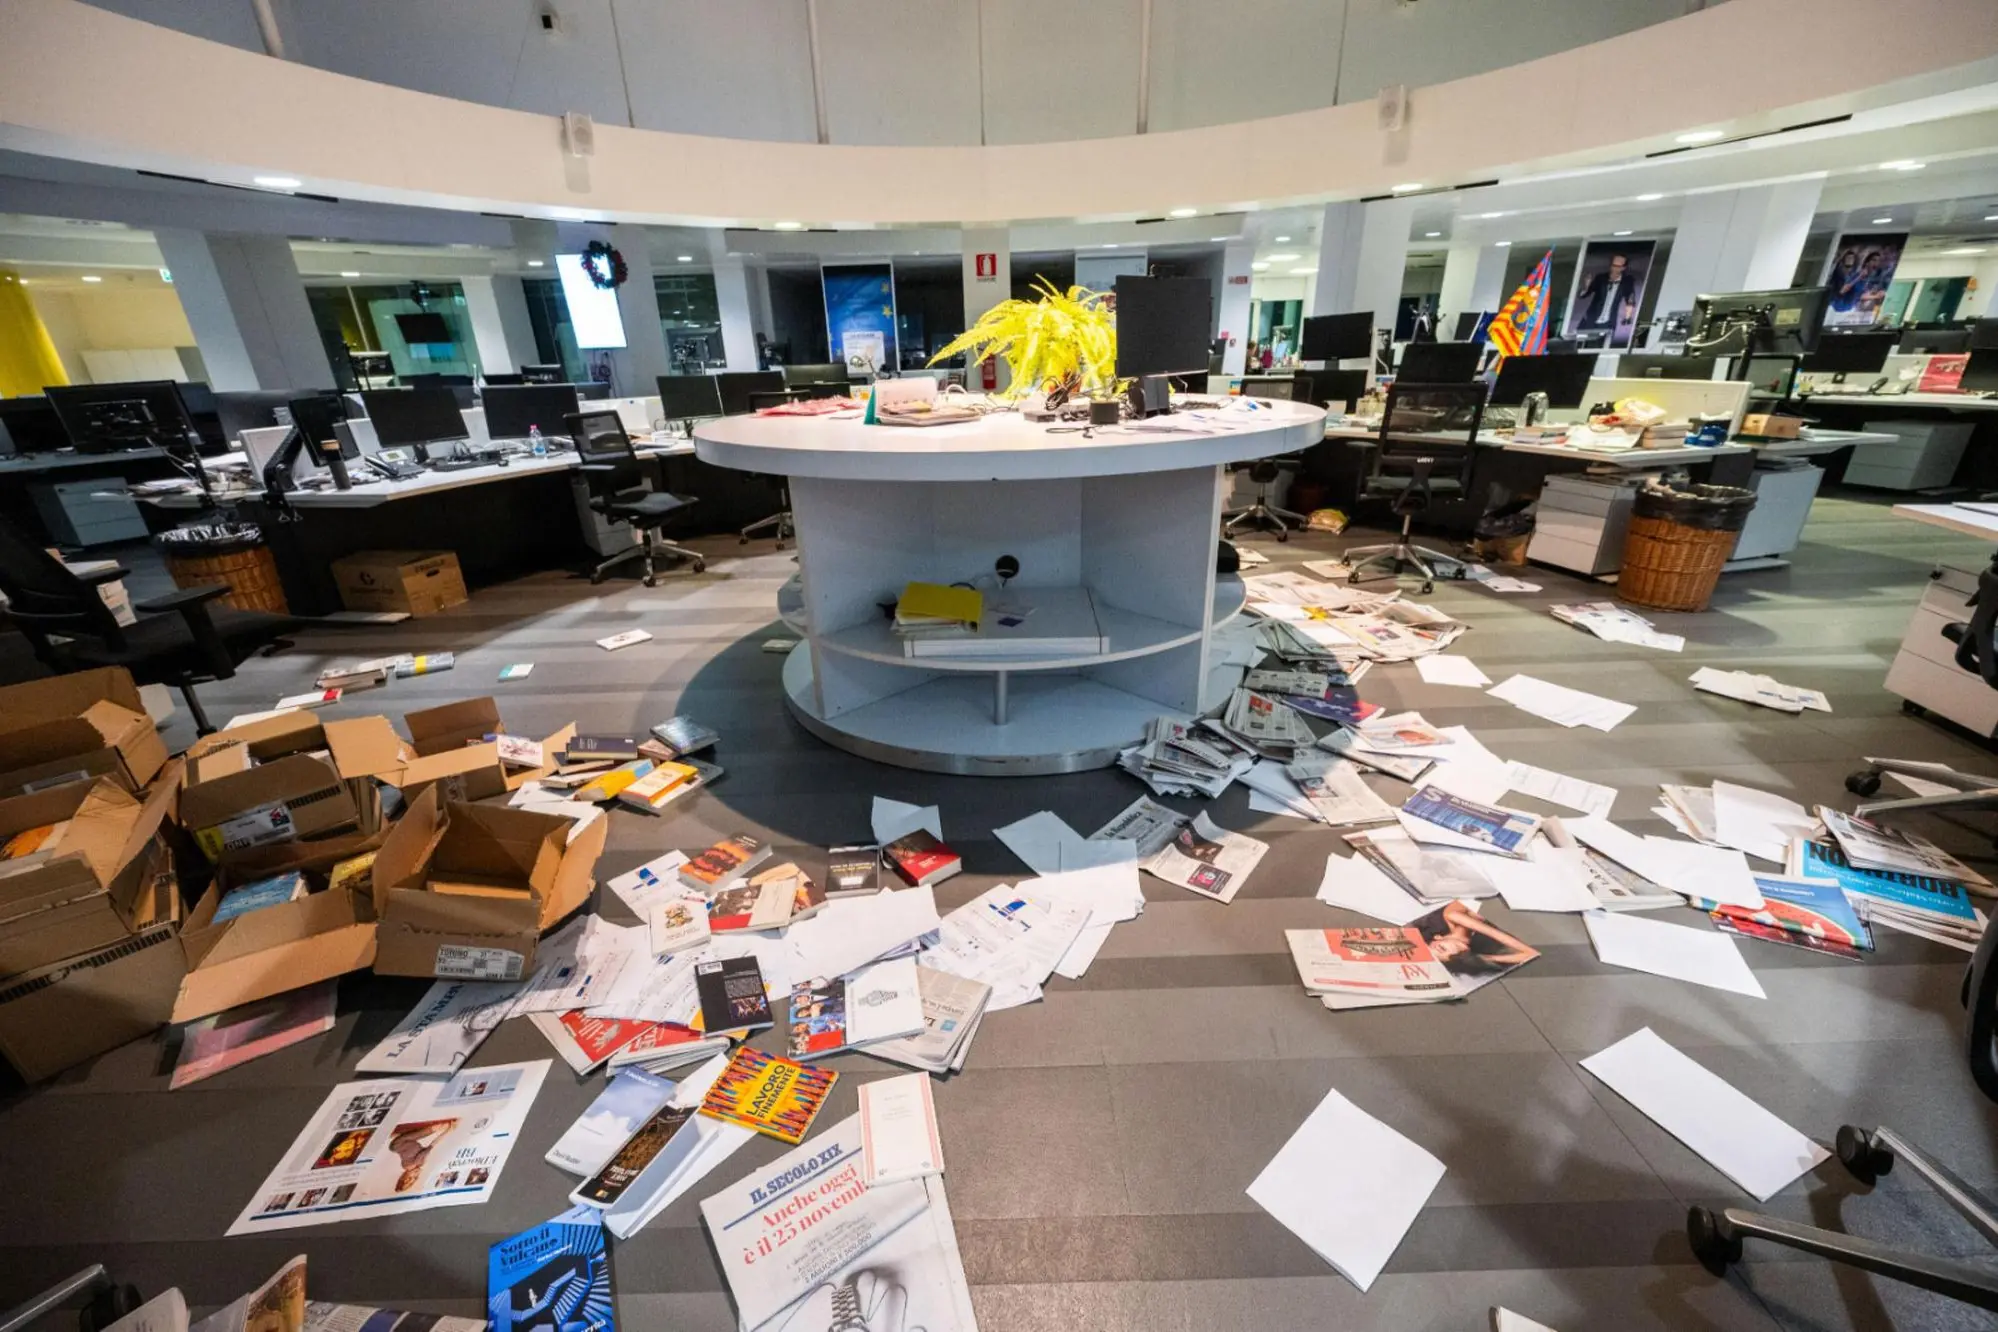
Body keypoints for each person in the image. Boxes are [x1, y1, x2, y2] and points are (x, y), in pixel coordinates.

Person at [1575, 251, 1642, 333]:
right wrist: (1586, 286)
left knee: (1602, 344)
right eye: (1613, 265)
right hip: (1590, 319)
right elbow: (1583, 295)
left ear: (1623, 268)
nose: (1614, 268)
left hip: (1608, 323)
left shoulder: (1627, 282)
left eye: (1617, 266)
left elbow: (1630, 300)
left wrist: (1627, 317)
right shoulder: (1601, 278)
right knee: (1578, 342)